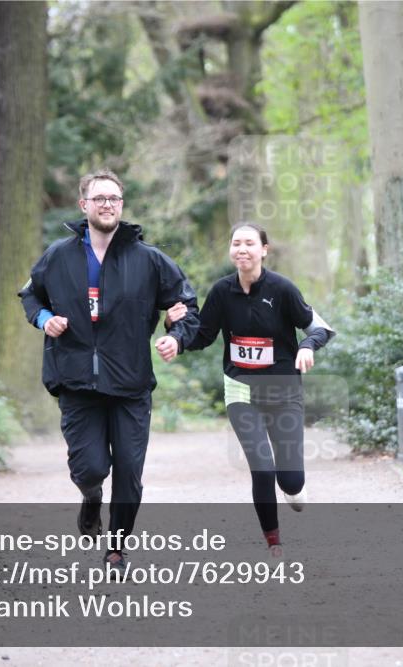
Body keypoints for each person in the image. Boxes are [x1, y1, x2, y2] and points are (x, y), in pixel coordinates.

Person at [18, 169, 199, 572]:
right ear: (84, 205)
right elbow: (30, 295)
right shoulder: (59, 256)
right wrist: (45, 318)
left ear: (122, 205)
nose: (107, 205)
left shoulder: (149, 260)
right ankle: (91, 496)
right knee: (90, 468)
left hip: (130, 384)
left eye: (114, 198)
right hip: (76, 381)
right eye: (99, 198)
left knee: (130, 474)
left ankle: (116, 549)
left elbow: (186, 305)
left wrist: (177, 335)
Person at [166, 223, 335, 555]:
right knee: (262, 466)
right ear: (231, 250)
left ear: (264, 250)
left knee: (290, 481)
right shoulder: (220, 292)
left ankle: (295, 487)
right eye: (236, 243)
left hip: (283, 391)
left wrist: (307, 347)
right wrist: (174, 330)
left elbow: (321, 328)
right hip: (240, 391)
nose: (241, 249)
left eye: (249, 243)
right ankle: (274, 542)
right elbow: (202, 336)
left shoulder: (283, 289)